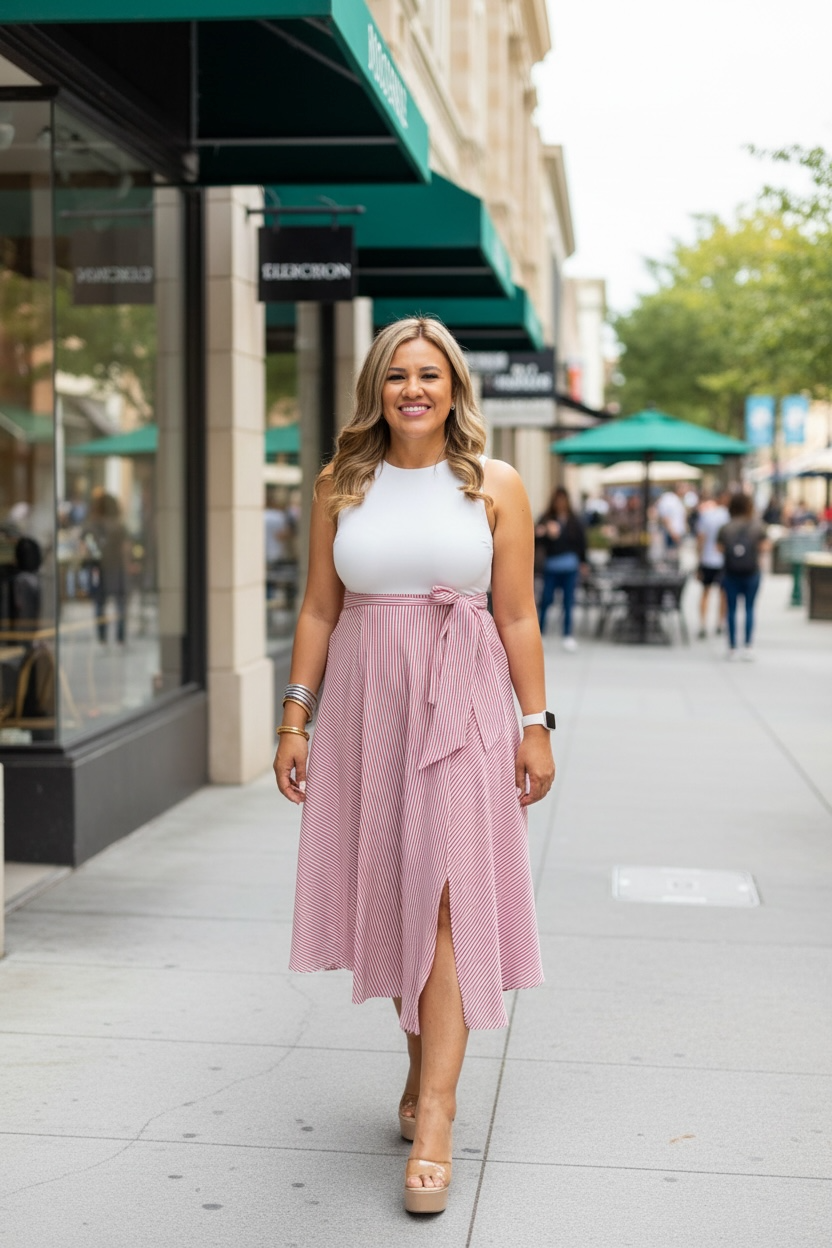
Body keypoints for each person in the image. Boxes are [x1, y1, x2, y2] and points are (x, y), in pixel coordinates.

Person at [273, 317, 553, 1215]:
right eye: (397, 375)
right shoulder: (339, 484)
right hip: (366, 710)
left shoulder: (495, 483)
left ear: (454, 386)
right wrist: (295, 718)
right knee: (396, 890)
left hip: (463, 703)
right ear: (375, 389)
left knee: (445, 897)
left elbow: (517, 617)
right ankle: (419, 1062)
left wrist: (536, 723)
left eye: (430, 374)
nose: (413, 390)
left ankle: (436, 1114)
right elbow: (320, 609)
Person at [535, 486, 587, 649]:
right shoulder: (546, 518)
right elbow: (536, 541)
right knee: (546, 600)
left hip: (569, 566)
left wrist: (583, 562)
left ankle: (567, 634)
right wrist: (544, 533)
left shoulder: (574, 520)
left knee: (568, 601)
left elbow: (581, 543)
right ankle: (540, 632)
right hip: (551, 566)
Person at [717, 492, 767, 660]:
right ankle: (748, 646)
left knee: (731, 609)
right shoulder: (757, 526)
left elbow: (719, 548)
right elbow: (765, 547)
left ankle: (731, 647)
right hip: (751, 571)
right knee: (750, 608)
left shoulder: (726, 527)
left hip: (730, 572)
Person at [83, 492, 130, 644]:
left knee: (100, 603)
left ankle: (102, 637)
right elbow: (125, 549)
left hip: (99, 568)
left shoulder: (91, 526)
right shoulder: (118, 526)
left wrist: (97, 556)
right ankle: (120, 637)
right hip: (116, 567)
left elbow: (88, 547)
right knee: (120, 603)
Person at [694, 488, 730, 639]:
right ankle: (720, 623)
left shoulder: (706, 515)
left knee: (705, 592)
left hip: (708, 559)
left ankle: (703, 624)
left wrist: (699, 558)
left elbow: (701, 538)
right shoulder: (727, 516)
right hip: (722, 560)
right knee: (723, 594)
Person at [656, 481, 688, 554]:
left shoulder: (678, 499)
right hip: (671, 535)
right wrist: (673, 532)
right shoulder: (669, 499)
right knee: (671, 557)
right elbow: (665, 517)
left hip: (677, 534)